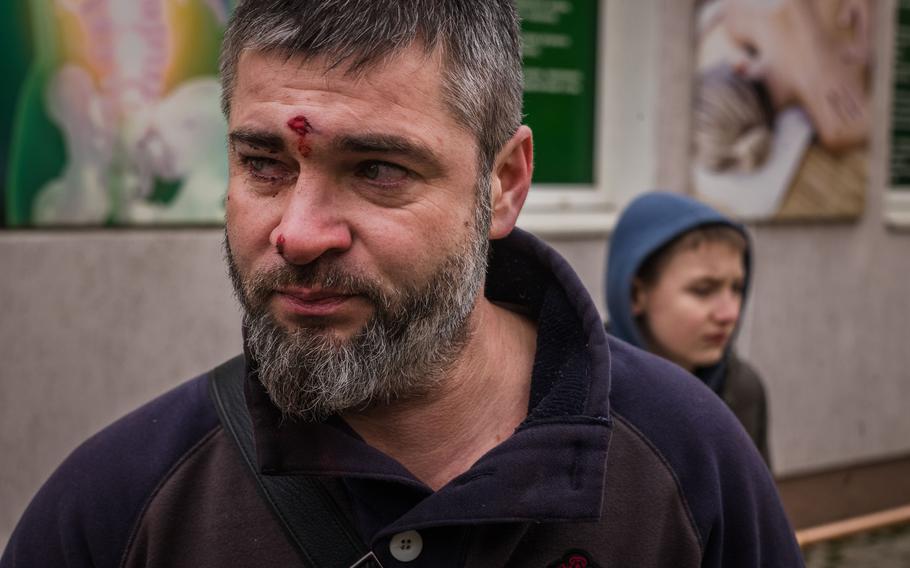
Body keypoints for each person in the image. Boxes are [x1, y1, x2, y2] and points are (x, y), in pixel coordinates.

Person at [2, 2, 803, 567]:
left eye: (378, 168)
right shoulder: (120, 509)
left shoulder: (687, 469)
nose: (299, 232)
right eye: (262, 164)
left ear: (505, 183)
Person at [606, 191, 771, 464]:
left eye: (737, 289)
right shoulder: (586, 392)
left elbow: (758, 505)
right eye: (704, 290)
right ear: (636, 295)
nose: (730, 313)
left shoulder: (742, 390)